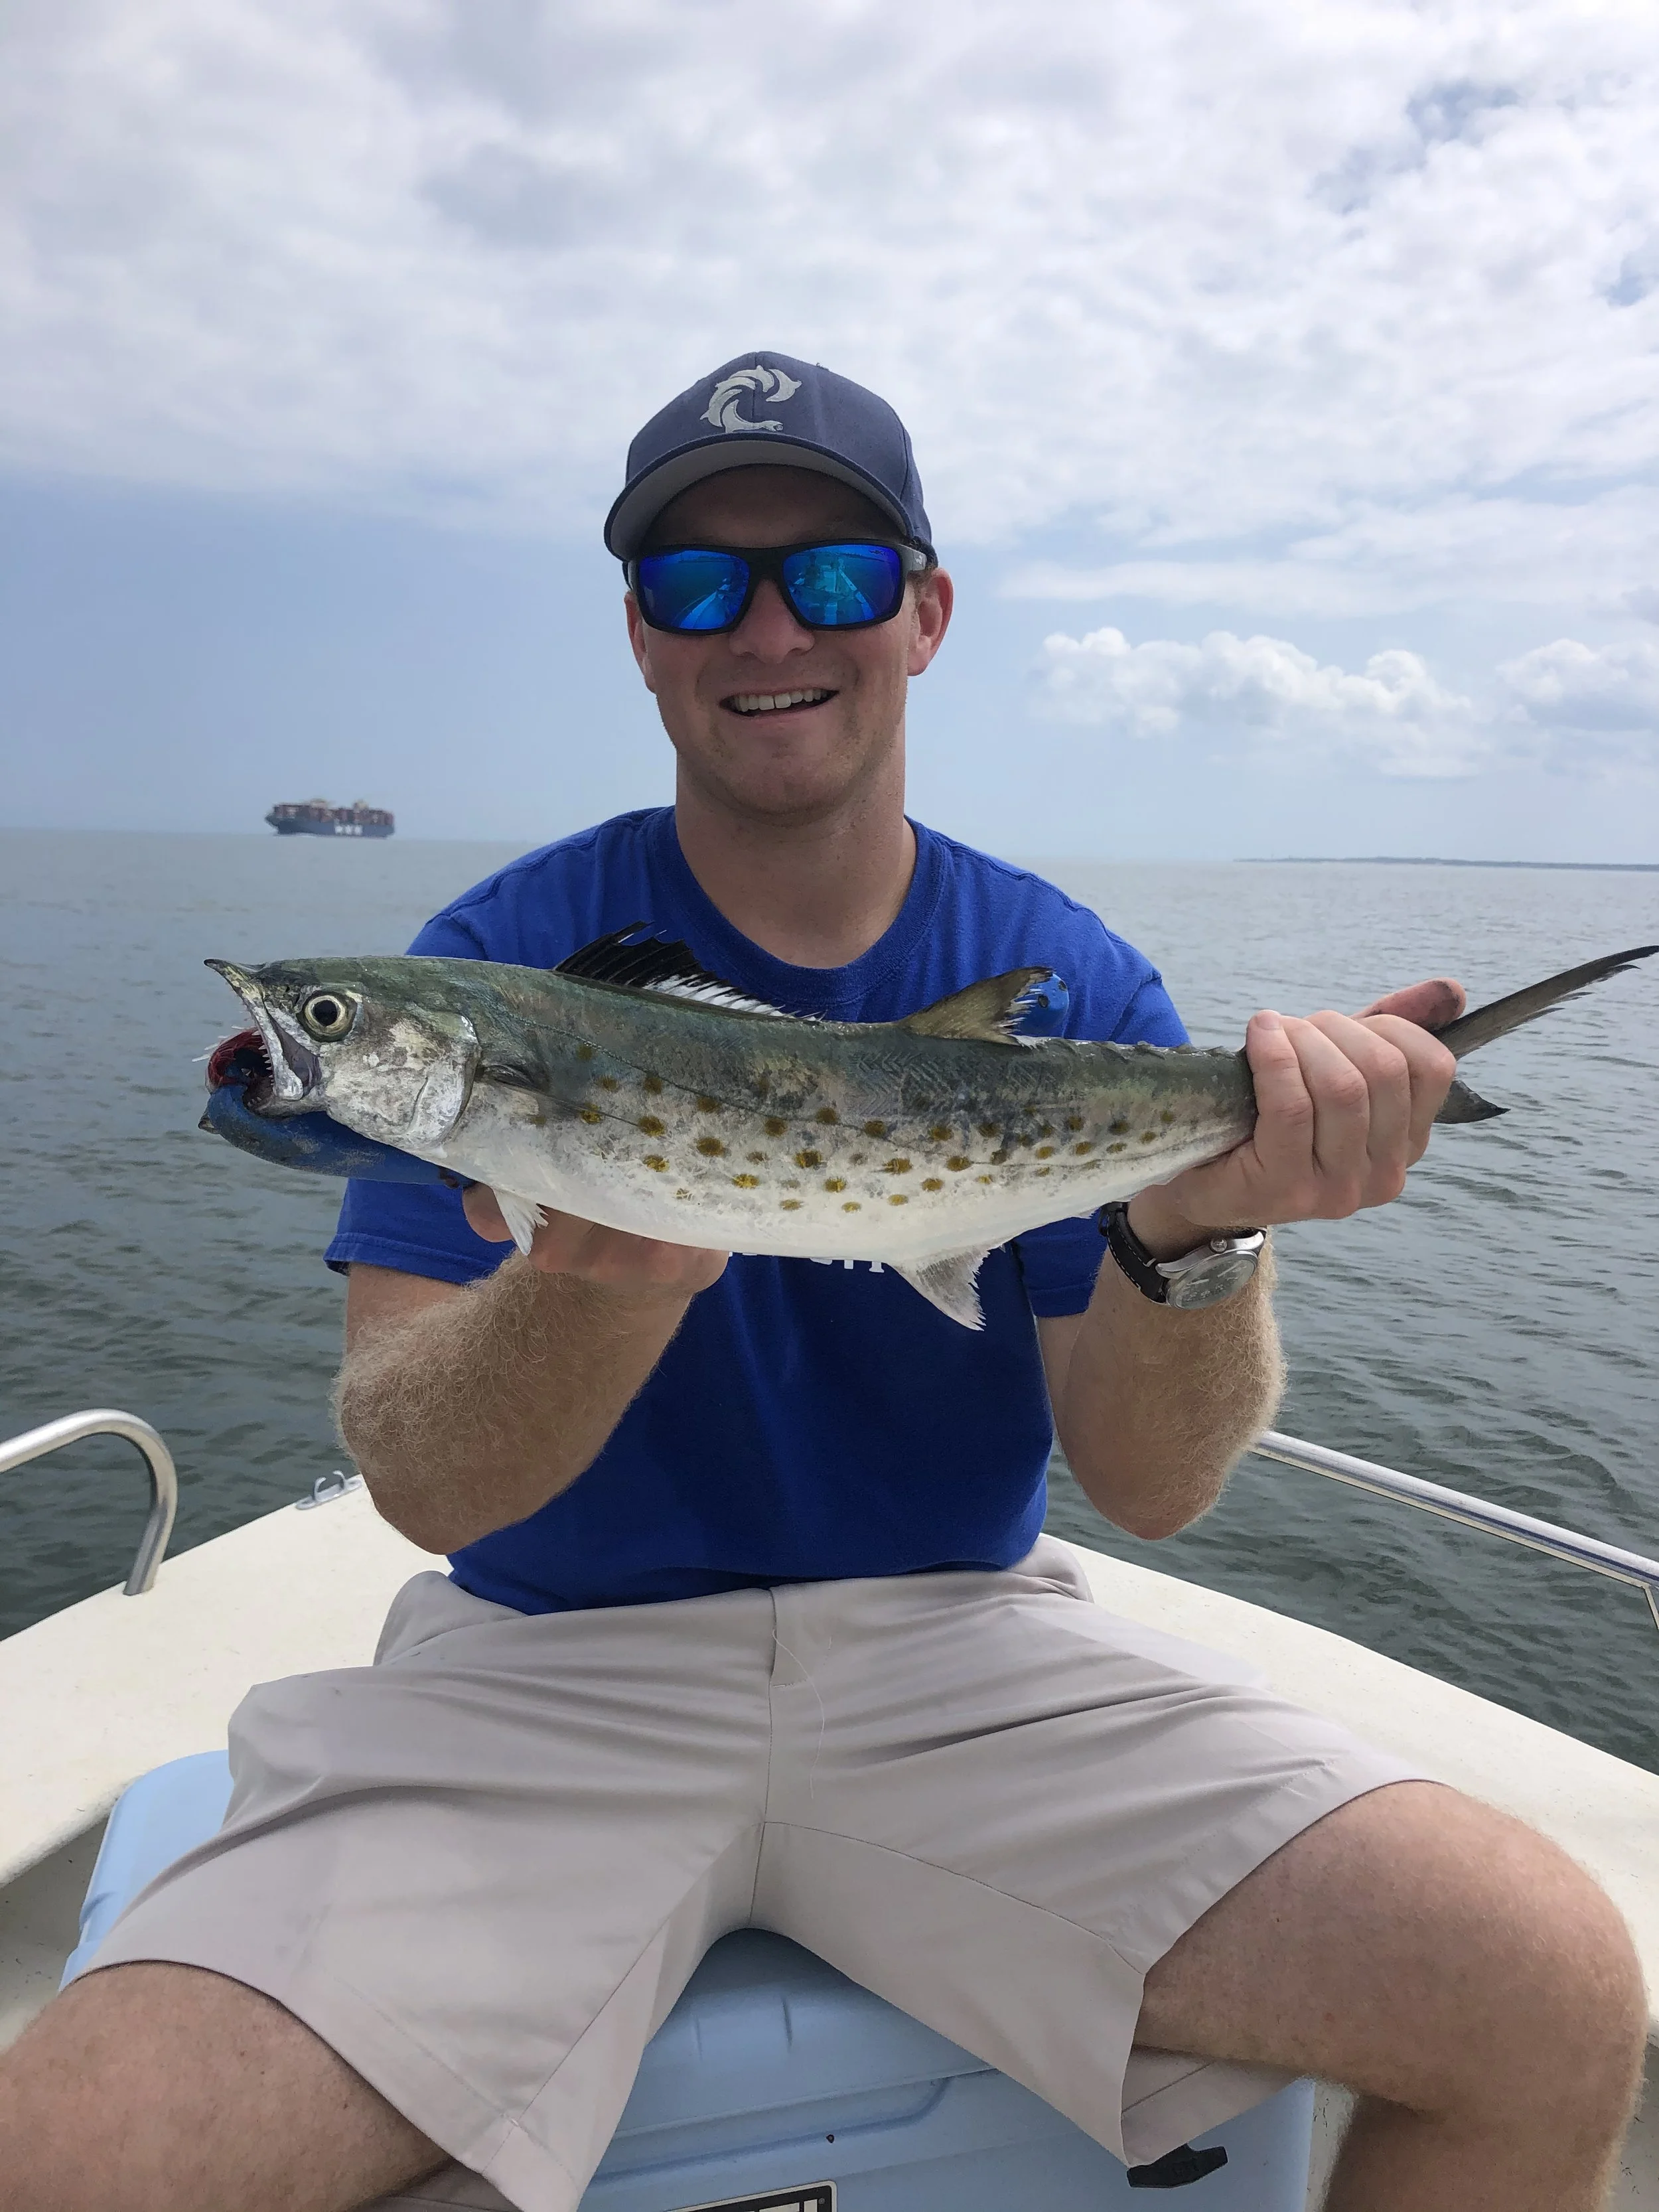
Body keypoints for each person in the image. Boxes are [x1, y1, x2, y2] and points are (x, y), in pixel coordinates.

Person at [1, 353, 1642, 2212]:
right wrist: (599, 1280)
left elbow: (1155, 1488)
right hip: (545, 1678)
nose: (768, 623)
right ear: (638, 632)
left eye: (837, 576)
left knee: (1550, 1996)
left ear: (925, 614)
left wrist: (1203, 1223)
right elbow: (422, 1480)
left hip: (964, 1662)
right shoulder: (494, 959)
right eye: (700, 581)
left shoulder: (1061, 975)